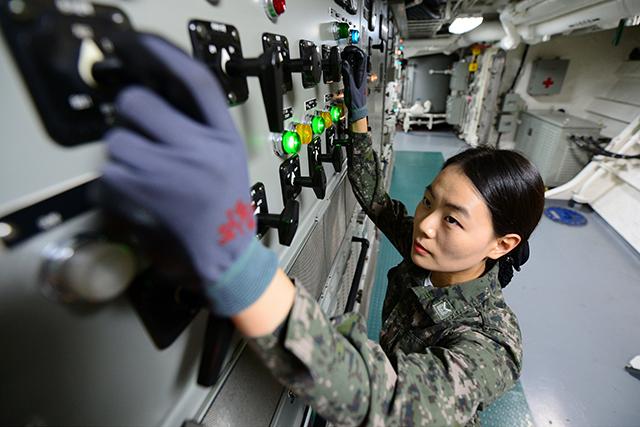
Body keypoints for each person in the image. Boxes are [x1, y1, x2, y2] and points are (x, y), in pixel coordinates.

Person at [102, 35, 545, 426]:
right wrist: (356, 113)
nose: (425, 225)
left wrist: (238, 260)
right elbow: (374, 198)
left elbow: (387, 400)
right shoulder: (433, 252)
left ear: (501, 244)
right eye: (429, 199)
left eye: (452, 218)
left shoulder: (493, 344)